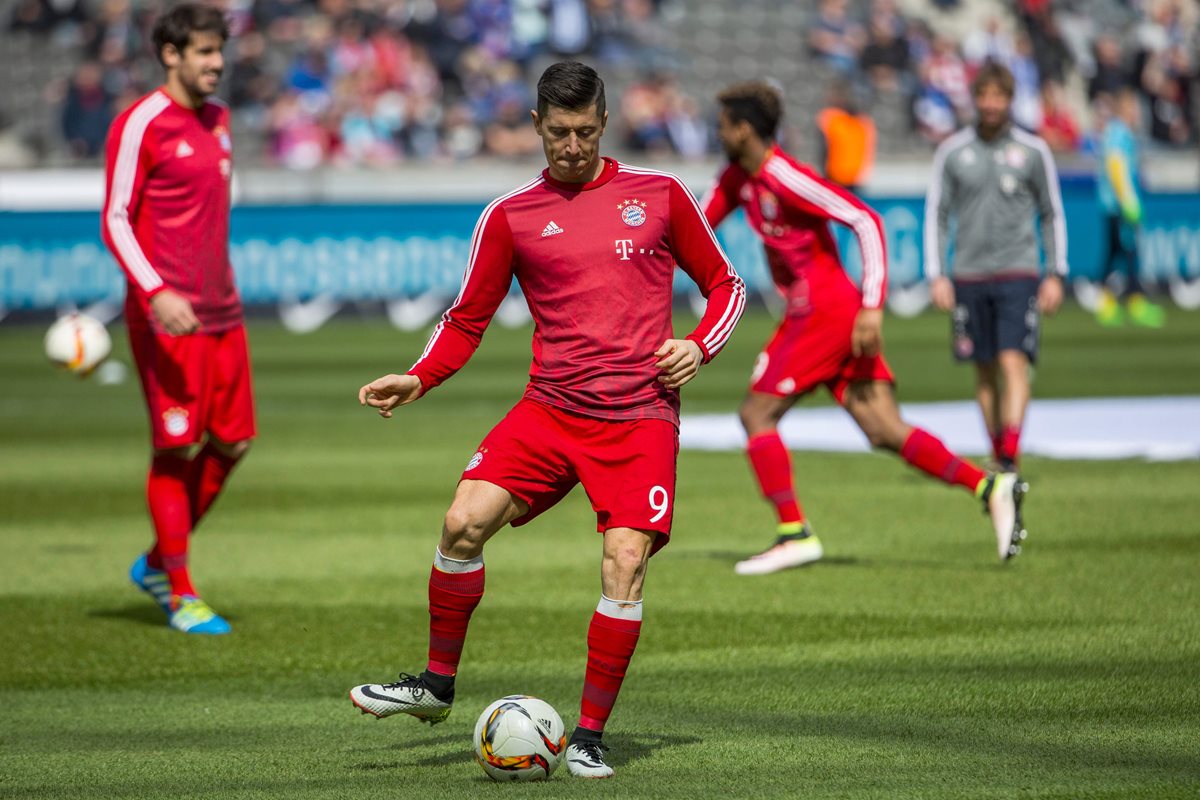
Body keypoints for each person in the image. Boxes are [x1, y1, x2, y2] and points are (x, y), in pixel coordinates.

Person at [347, 61, 745, 779]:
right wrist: (420, 375)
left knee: (625, 563)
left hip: (638, 416)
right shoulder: (510, 215)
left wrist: (699, 344)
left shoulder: (658, 196)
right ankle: (436, 685)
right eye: (558, 132)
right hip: (552, 409)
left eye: (586, 131)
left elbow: (727, 284)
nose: (572, 146)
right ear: (535, 124)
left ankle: (589, 734)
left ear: (604, 122)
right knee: (462, 522)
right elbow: (466, 318)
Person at [702, 81, 1026, 575]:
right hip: (823, 313)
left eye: (723, 125)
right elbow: (695, 228)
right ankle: (989, 486)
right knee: (883, 429)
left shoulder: (785, 175)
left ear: (744, 130)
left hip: (825, 311)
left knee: (756, 414)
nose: (717, 132)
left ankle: (795, 533)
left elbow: (866, 219)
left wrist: (873, 305)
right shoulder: (736, 178)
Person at [101, 3, 253, 635]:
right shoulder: (141, 122)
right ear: (171, 54)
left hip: (222, 307)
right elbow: (115, 216)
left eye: (220, 51)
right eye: (204, 52)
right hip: (167, 314)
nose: (217, 63)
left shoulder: (218, 120)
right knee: (177, 444)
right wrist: (156, 291)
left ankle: (162, 558)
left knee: (234, 441)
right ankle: (180, 587)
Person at [924, 62, 1066, 474]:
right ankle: (997, 451)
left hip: (1018, 271)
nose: (989, 104)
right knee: (983, 369)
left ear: (1009, 100)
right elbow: (938, 212)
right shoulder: (953, 152)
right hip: (968, 273)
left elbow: (1050, 212)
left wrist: (1055, 271)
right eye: (983, 96)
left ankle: (1010, 450)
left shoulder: (1032, 151)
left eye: (997, 97)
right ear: (975, 99)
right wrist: (937, 274)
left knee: (1012, 361)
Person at [1094, 87, 1166, 328]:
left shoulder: (1117, 132)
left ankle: (1109, 302)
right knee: (1129, 252)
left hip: (1114, 204)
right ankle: (1133, 302)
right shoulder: (1119, 133)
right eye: (1133, 107)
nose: (1136, 112)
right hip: (1118, 205)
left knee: (1115, 253)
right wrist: (1129, 202)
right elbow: (1116, 168)